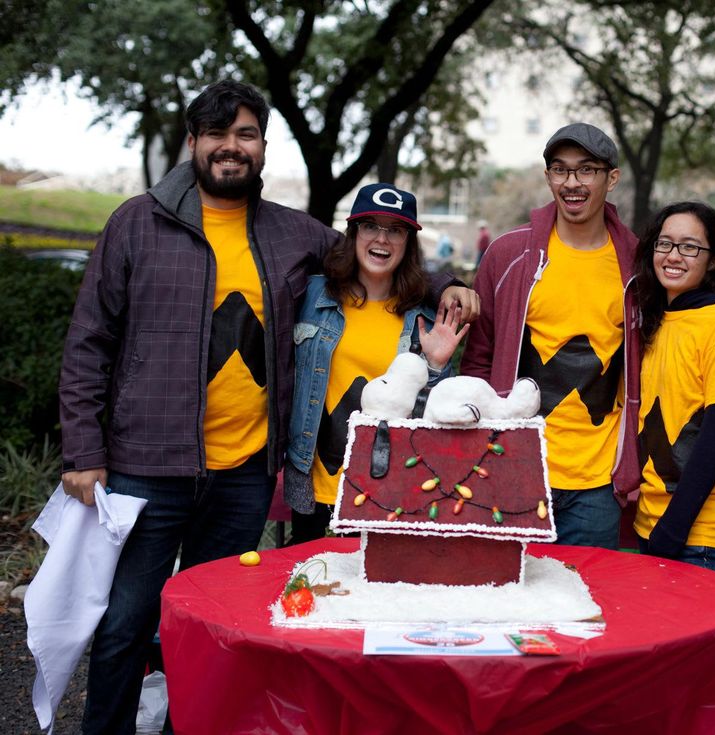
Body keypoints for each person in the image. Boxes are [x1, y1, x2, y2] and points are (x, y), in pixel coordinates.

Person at [58, 79, 476, 734]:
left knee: (211, 624)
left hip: (243, 476)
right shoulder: (137, 223)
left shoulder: (290, 233)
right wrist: (84, 450)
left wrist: (453, 284)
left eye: (246, 134)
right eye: (218, 134)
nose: (232, 147)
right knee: (125, 623)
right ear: (193, 142)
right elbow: (89, 340)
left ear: (262, 146)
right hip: (146, 465)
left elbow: (380, 250)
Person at [460, 122, 641, 550]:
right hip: (514, 469)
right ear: (548, 178)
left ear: (611, 178)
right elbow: (478, 359)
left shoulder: (637, 264)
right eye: (560, 170)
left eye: (586, 170)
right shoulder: (509, 254)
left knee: (583, 605)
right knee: (507, 604)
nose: (572, 182)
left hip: (597, 483)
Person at [284, 183, 468, 541]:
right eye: (370, 226)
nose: (381, 239)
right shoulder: (312, 296)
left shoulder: (426, 319)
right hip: (316, 483)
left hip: (389, 491)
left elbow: (435, 419)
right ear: (353, 234)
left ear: (408, 242)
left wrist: (435, 365)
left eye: (395, 230)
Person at [632, 202, 715, 576]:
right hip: (652, 521)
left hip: (699, 534)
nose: (674, 256)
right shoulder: (659, 319)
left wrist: (675, 526)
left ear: (713, 260)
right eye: (665, 244)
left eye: (689, 246)